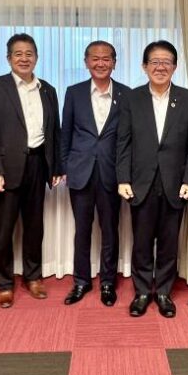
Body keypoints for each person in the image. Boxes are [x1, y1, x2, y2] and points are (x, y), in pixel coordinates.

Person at [117, 40, 188, 318]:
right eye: (154, 61)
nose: (160, 67)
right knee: (141, 242)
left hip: (175, 183)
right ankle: (142, 292)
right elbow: (123, 142)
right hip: (140, 182)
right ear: (144, 66)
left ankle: (164, 292)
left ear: (175, 67)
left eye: (166, 62)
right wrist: (123, 178)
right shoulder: (132, 99)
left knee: (169, 242)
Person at [0, 33, 62, 308]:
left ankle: (33, 276)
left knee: (34, 226)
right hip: (5, 169)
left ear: (36, 57)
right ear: (8, 58)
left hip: (38, 164)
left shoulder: (48, 89)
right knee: (3, 230)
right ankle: (4, 283)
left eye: (29, 54)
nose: (24, 58)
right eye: (18, 54)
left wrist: (56, 166)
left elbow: (55, 131)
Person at [61, 41, 130, 306]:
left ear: (114, 62)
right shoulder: (74, 92)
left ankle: (108, 282)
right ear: (86, 62)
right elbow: (66, 133)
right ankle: (81, 281)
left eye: (106, 58)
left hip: (112, 173)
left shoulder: (126, 94)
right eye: (95, 58)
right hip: (80, 172)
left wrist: (126, 174)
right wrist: (65, 167)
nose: (100, 63)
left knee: (110, 230)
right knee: (82, 230)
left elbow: (128, 139)